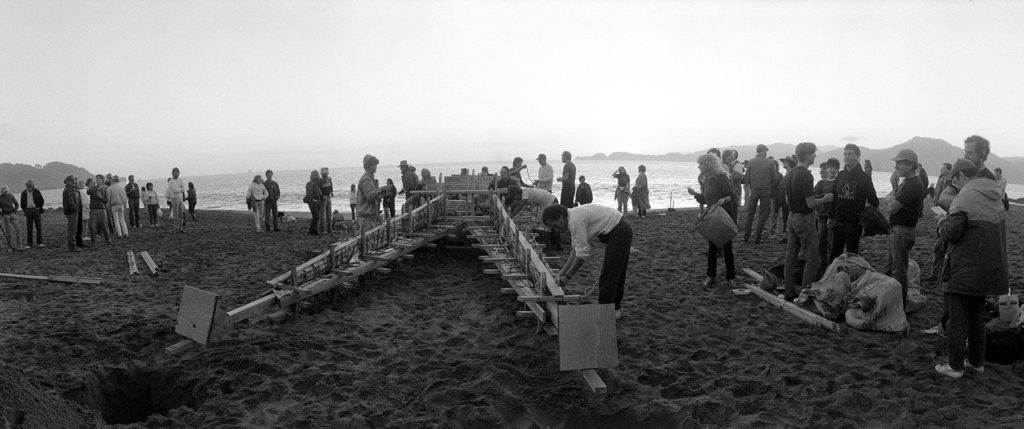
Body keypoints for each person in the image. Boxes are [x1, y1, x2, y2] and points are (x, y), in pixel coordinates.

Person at [934, 158, 1008, 378]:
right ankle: (976, 362)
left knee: (957, 318)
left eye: (954, 180)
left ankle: (955, 366)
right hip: (989, 267)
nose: (955, 185)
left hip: (965, 266)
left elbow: (952, 233)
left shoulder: (966, 195)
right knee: (977, 317)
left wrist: (941, 223)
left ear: (960, 176)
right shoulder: (994, 193)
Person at [543, 203, 633, 319]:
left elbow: (582, 255)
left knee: (609, 275)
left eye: (555, 225)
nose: (557, 229)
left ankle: (605, 313)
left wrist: (568, 277)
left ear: (561, 216)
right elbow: (575, 250)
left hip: (620, 231)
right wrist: (561, 274)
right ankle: (614, 310)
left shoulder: (574, 220)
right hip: (619, 229)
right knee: (616, 274)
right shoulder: (572, 217)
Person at [783, 142, 833, 300]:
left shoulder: (790, 173)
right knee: (812, 258)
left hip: (792, 217)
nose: (815, 156)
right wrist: (825, 199)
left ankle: (788, 292)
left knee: (791, 256)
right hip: (804, 219)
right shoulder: (805, 174)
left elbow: (787, 198)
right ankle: (805, 295)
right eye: (813, 153)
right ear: (807, 155)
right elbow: (810, 203)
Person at [687, 154, 737, 290]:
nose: (699, 166)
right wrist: (695, 194)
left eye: (701, 164)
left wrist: (723, 200)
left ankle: (731, 277)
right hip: (712, 216)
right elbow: (706, 199)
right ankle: (711, 276)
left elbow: (732, 195)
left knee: (727, 247)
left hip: (723, 215)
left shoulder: (721, 177)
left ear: (708, 165)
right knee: (712, 247)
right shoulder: (708, 179)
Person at [883, 149, 925, 309]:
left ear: (909, 164)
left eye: (899, 163)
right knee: (890, 267)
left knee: (899, 270)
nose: (896, 166)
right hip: (898, 231)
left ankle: (899, 305)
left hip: (902, 231)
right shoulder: (907, 182)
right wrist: (893, 195)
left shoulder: (913, 183)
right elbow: (892, 200)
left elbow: (892, 207)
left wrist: (891, 199)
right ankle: (888, 299)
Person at [828, 144, 878, 261]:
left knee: (852, 256)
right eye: (845, 154)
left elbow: (874, 201)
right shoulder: (840, 175)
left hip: (854, 224)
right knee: (834, 254)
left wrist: (865, 220)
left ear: (858, 157)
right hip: (838, 221)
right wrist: (830, 217)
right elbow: (834, 197)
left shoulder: (864, 177)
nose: (846, 157)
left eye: (850, 154)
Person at [742, 144, 776, 243]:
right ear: (763, 151)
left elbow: (746, 178)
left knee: (750, 214)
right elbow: (774, 178)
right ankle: (757, 238)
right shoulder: (770, 162)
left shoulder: (751, 162)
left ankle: (746, 237)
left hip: (754, 190)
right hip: (766, 190)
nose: (766, 153)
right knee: (763, 214)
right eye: (766, 151)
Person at [813, 158, 839, 274]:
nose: (832, 170)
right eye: (830, 167)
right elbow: (813, 197)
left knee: (832, 245)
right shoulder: (821, 183)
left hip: (833, 218)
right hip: (821, 217)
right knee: (821, 243)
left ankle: (830, 269)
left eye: (835, 168)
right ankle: (822, 268)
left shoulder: (838, 183)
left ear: (837, 169)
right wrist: (823, 197)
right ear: (826, 168)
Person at [356, 155, 384, 255]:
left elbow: (371, 197)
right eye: (374, 165)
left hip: (369, 214)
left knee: (368, 241)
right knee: (367, 242)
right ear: (368, 166)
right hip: (366, 215)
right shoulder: (366, 180)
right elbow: (369, 197)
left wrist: (378, 196)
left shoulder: (370, 179)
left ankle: (366, 259)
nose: (376, 167)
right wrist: (379, 190)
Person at [521, 187, 560, 252]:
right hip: (550, 201)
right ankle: (554, 244)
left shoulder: (525, 193)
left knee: (551, 223)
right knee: (548, 224)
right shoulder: (527, 192)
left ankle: (555, 245)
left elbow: (522, 204)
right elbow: (534, 204)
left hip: (551, 202)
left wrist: (517, 212)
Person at [769, 157, 792, 239]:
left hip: (785, 201)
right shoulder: (786, 174)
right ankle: (783, 232)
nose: (783, 163)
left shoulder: (790, 175)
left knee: (784, 217)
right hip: (780, 200)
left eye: (785, 162)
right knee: (782, 216)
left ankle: (785, 233)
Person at [0, 185, 27, 250]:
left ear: (7, 191)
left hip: (13, 214)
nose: (5, 193)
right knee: (8, 231)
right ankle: (10, 247)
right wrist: (1, 213)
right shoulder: (0, 197)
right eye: (3, 191)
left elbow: (17, 204)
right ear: (1, 191)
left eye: (6, 191)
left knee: (17, 229)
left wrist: (15, 211)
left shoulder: (11, 196)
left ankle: (19, 245)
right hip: (6, 215)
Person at [86, 178, 111, 244]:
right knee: (93, 226)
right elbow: (87, 192)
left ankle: (108, 239)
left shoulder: (104, 189)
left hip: (102, 209)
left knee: (105, 225)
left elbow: (106, 201)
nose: (97, 182)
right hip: (94, 210)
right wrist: (92, 186)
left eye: (99, 181)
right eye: (96, 181)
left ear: (102, 181)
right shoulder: (93, 189)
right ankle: (93, 241)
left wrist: (100, 197)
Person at [20, 180, 45, 247]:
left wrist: (39, 207)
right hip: (28, 211)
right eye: (28, 187)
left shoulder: (37, 191)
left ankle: (39, 242)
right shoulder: (23, 193)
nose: (29, 188)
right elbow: (22, 203)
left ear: (33, 186)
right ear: (26, 186)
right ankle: (29, 244)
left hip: (36, 210)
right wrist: (25, 210)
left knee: (38, 227)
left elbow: (42, 200)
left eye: (30, 187)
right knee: (29, 228)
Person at [62, 175, 83, 251]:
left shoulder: (69, 189)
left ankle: (72, 245)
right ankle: (72, 246)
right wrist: (76, 209)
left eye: (73, 180)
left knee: (72, 229)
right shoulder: (68, 190)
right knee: (72, 229)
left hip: (72, 211)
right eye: (72, 180)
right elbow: (71, 202)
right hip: (72, 212)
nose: (73, 182)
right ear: (68, 181)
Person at [166, 167, 186, 233]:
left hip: (180, 198)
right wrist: (180, 189)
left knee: (181, 213)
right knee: (175, 213)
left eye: (178, 173)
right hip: (174, 198)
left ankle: (181, 227)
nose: (177, 174)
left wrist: (179, 190)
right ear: (172, 173)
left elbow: (184, 188)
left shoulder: (180, 180)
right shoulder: (170, 181)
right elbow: (174, 190)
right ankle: (176, 228)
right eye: (175, 173)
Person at [304, 171, 322, 235]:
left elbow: (319, 193)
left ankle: (314, 230)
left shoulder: (316, 184)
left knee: (316, 217)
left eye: (317, 175)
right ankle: (312, 230)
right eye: (315, 175)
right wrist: (314, 200)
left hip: (317, 202)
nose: (317, 177)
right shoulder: (310, 184)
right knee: (316, 216)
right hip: (312, 202)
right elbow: (309, 194)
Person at [319, 167, 334, 234]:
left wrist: (332, 192)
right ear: (322, 174)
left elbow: (331, 186)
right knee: (323, 215)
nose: (325, 175)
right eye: (324, 174)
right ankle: (323, 229)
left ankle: (329, 229)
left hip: (328, 197)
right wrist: (322, 195)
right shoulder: (320, 180)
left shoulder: (329, 178)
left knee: (329, 213)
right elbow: (319, 190)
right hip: (323, 198)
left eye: (326, 173)